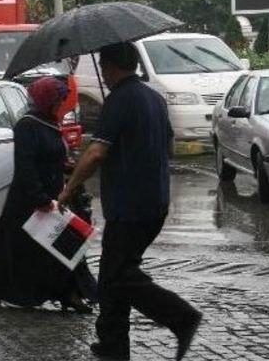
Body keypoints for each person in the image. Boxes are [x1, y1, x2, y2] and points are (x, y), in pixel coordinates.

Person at [59, 43, 202, 361]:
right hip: (155, 201)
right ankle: (111, 343)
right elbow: (169, 145)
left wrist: (69, 188)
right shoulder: (154, 97)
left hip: (129, 206)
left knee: (119, 276)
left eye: (103, 67)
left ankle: (181, 317)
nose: (103, 75)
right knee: (113, 274)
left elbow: (96, 153)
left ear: (111, 66)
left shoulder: (119, 100)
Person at [0, 76, 96, 313]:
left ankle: (69, 292)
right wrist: (39, 198)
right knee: (16, 249)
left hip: (54, 195)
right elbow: (26, 165)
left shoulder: (51, 123)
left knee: (61, 247)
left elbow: (53, 156)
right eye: (57, 100)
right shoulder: (27, 126)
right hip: (28, 201)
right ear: (46, 100)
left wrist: (67, 166)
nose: (60, 105)